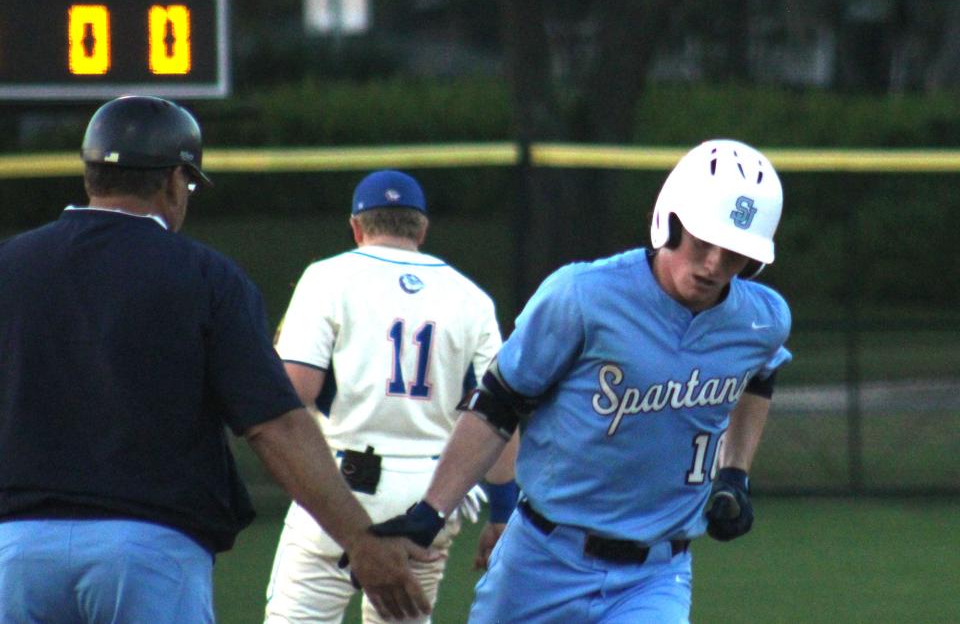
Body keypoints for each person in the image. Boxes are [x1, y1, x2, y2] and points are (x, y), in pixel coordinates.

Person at [0, 96, 432, 623]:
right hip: (147, 548)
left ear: (91, 174)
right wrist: (360, 540)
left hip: (15, 552)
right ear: (175, 180)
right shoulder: (205, 276)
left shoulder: (11, 265)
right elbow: (274, 426)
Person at [368, 139, 793, 623]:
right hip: (541, 560)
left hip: (657, 574)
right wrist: (431, 512)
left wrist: (735, 472)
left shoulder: (761, 318)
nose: (716, 265)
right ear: (670, 221)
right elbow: (497, 407)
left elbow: (762, 371)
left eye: (735, 253)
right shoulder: (582, 296)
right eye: (702, 243)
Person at [264, 169, 519, 624]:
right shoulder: (471, 298)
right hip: (431, 498)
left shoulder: (328, 277)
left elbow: (294, 392)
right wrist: (502, 513)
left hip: (341, 484)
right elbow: (500, 415)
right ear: (421, 229)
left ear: (357, 226)